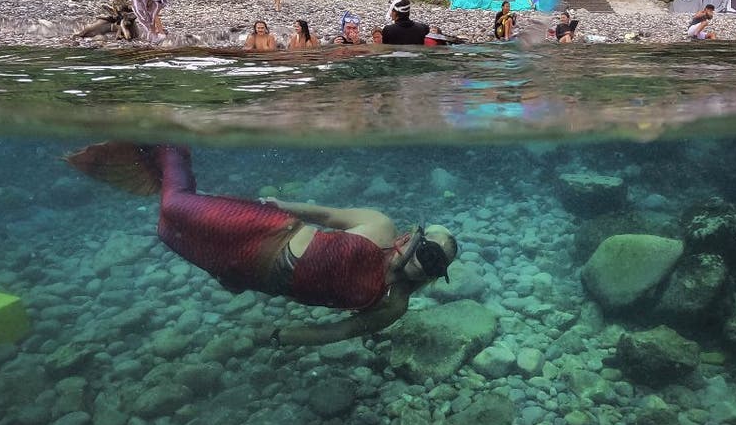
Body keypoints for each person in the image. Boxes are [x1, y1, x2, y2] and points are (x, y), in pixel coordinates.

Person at [66, 143, 458, 346]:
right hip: (269, 231)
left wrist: (283, 338)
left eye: (437, 267)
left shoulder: (393, 304)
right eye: (429, 252)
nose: (428, 265)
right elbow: (325, 215)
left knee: (167, 233)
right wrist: (279, 204)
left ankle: (162, 169)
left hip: (249, 273)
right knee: (174, 206)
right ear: (414, 238)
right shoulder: (381, 226)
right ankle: (170, 148)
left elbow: (339, 331)